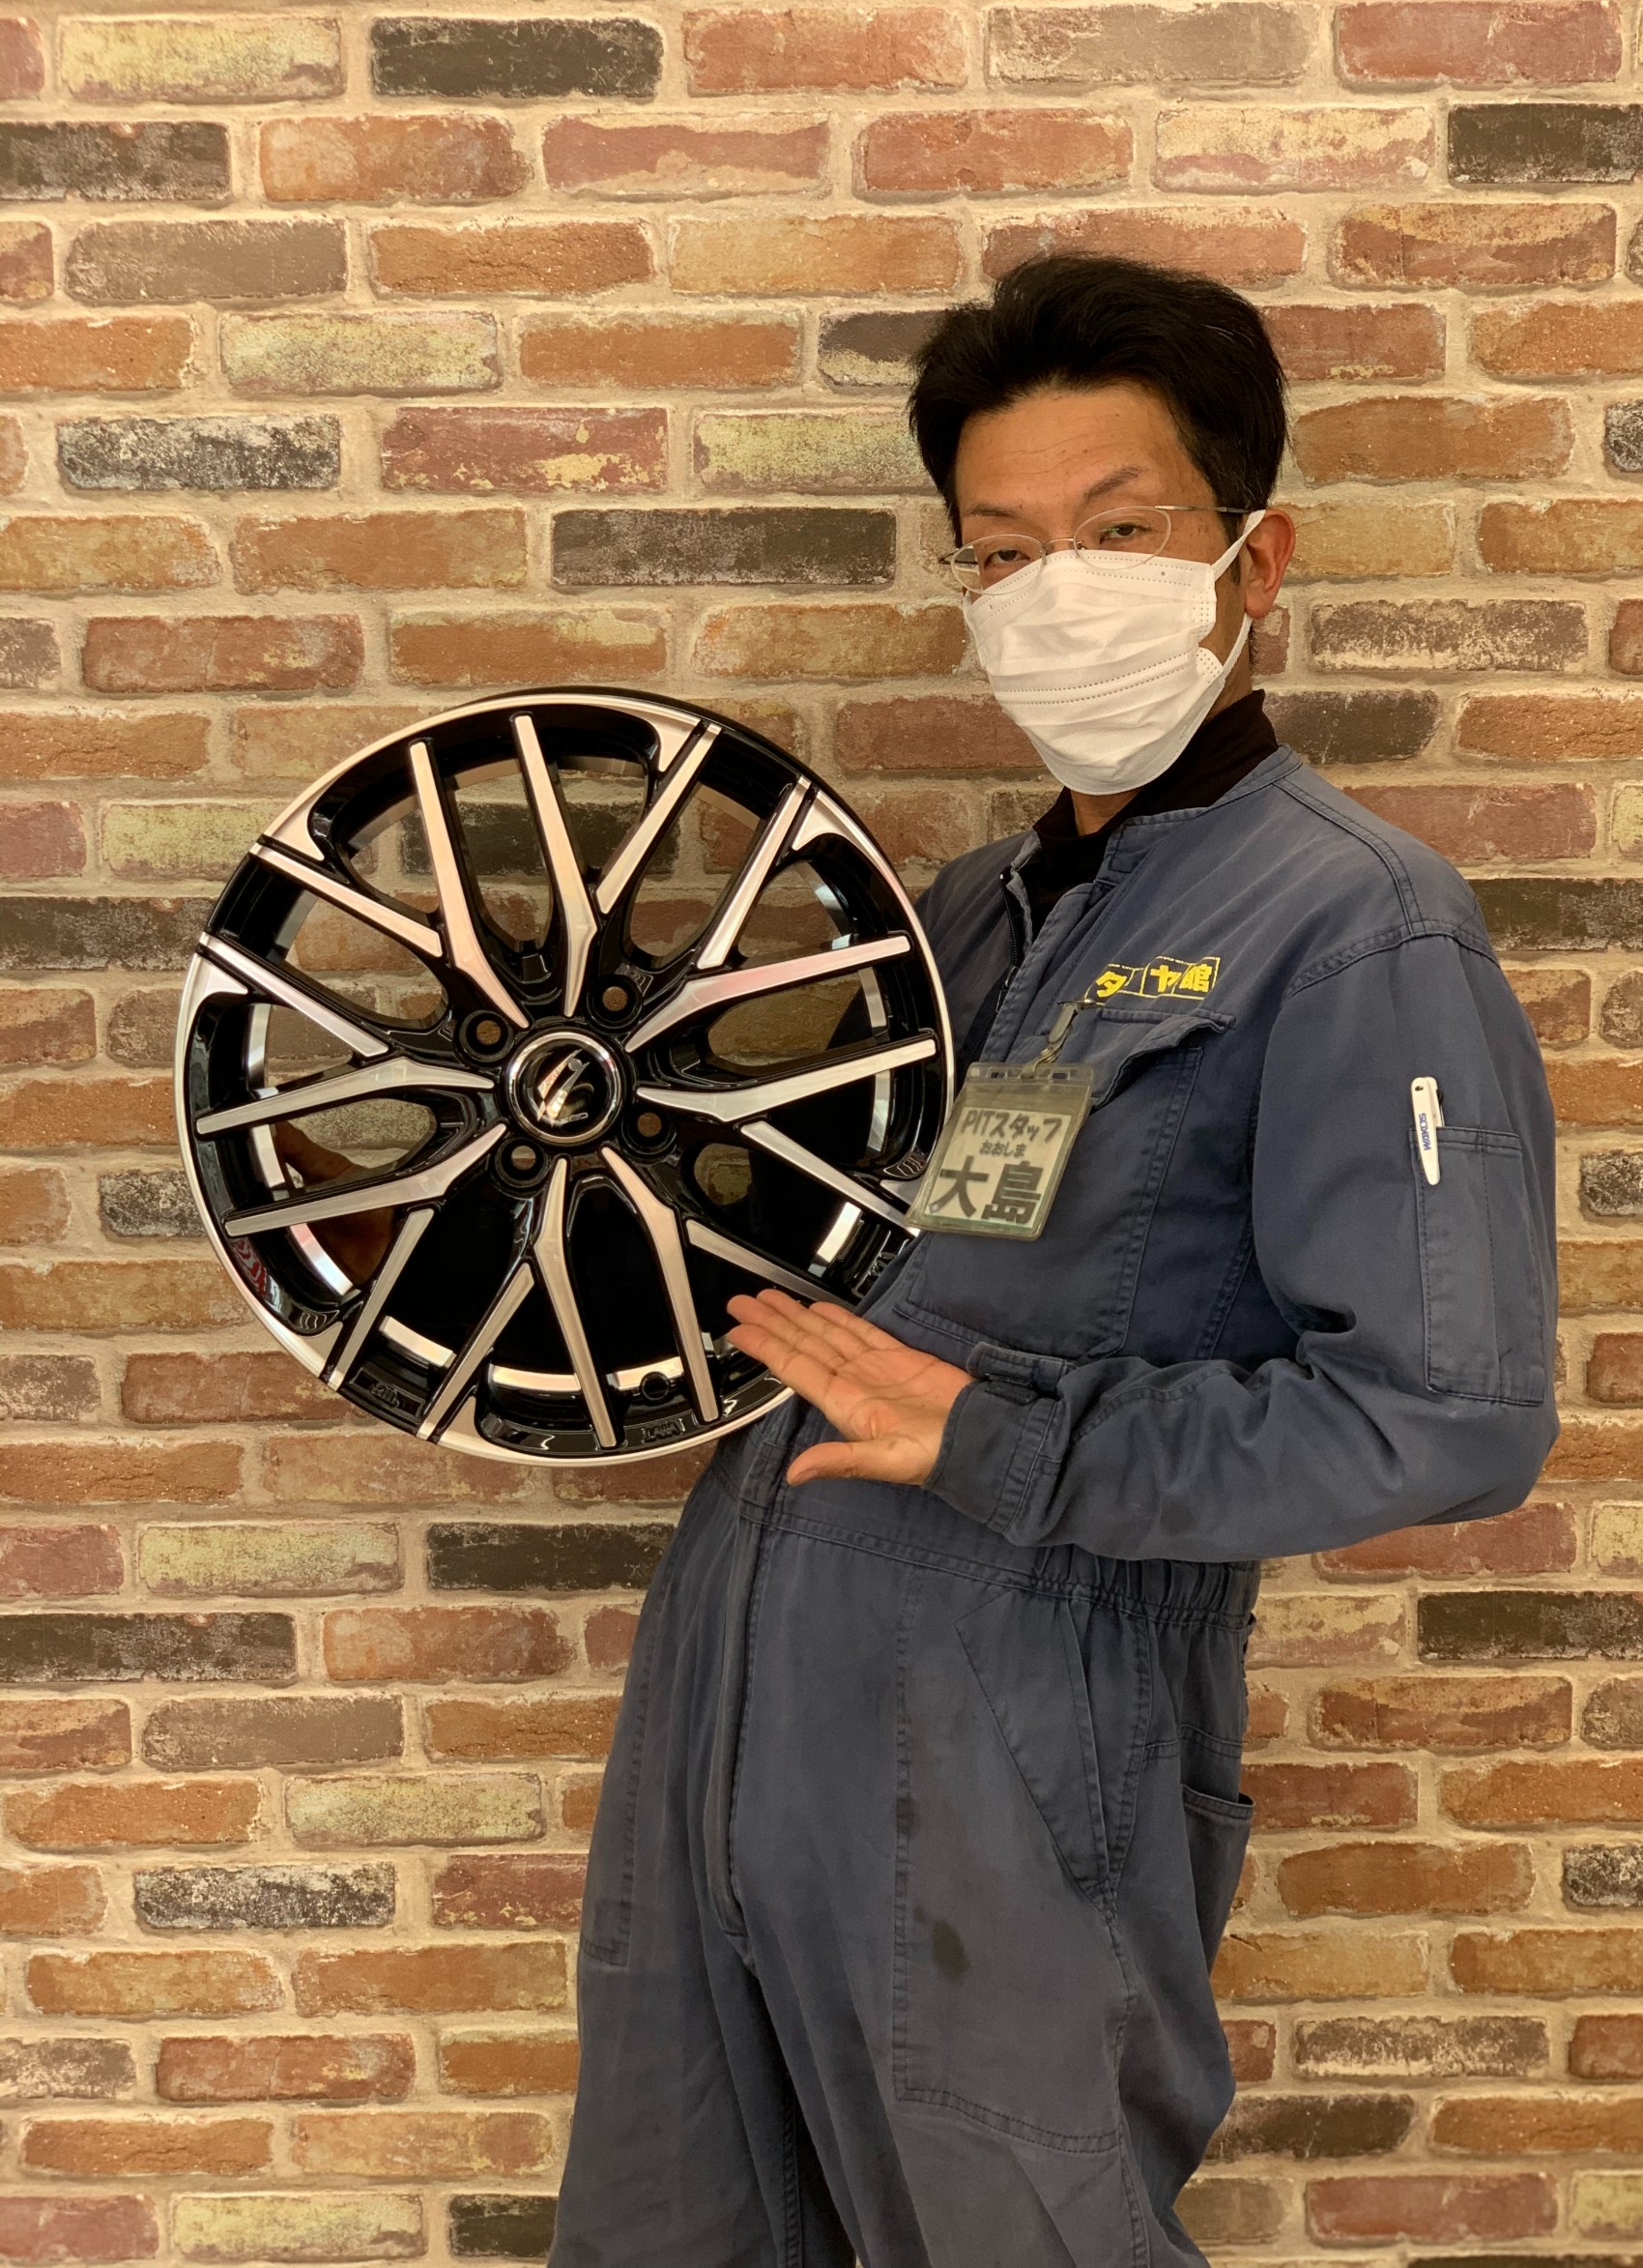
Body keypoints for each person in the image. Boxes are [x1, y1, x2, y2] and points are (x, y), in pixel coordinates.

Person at [551, 252, 1558, 2268]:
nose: (1055, 591)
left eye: (1120, 532)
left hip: (1006, 1768)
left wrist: (1012, 1445)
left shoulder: (1357, 925)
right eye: (1003, 552)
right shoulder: (963, 915)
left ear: (1255, 555)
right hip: (743, 1715)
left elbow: (1449, 1417)